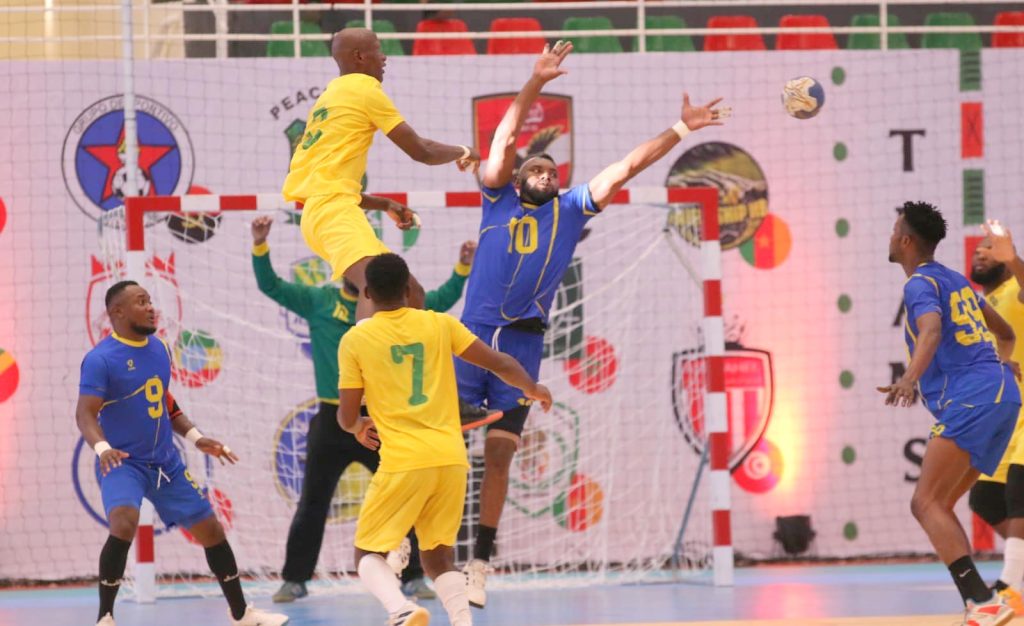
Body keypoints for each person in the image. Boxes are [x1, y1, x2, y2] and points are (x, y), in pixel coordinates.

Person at [454, 40, 728, 607]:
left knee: (499, 456)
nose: (544, 171)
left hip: (522, 346)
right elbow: (504, 141)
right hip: (470, 338)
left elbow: (628, 165)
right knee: (440, 450)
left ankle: (480, 562)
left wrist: (681, 127)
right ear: (517, 178)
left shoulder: (573, 207)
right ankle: (408, 539)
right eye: (535, 167)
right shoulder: (496, 198)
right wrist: (535, 81)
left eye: (551, 169)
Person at [247, 215, 476, 602]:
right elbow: (271, 286)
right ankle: (295, 578)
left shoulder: (398, 309)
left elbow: (436, 302)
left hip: (384, 421)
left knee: (409, 497)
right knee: (313, 501)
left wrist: (461, 269)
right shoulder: (318, 301)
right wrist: (260, 244)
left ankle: (413, 577)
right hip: (336, 418)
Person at [337, 253, 551, 626]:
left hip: (404, 460)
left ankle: (401, 610)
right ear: (408, 290)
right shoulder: (439, 324)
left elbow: (346, 415)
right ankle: (462, 621)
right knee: (438, 556)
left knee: (366, 553)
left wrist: (357, 426)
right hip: (451, 459)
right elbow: (500, 363)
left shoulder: (356, 338)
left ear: (366, 293)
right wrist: (533, 388)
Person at [76, 281, 289, 626]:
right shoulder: (100, 359)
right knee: (124, 522)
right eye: (141, 302)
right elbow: (84, 414)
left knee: (212, 531)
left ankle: (242, 615)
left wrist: (195, 436)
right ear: (118, 312)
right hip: (123, 462)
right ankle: (105, 618)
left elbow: (163, 399)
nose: (151, 307)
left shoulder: (160, 348)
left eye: (149, 300)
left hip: (165, 464)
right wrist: (103, 448)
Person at [880, 202, 1021, 626]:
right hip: (1003, 395)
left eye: (894, 230)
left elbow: (932, 330)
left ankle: (984, 601)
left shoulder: (919, 284)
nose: (891, 236)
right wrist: (1002, 365)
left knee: (924, 502)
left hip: (974, 399)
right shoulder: (956, 280)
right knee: (940, 503)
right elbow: (1006, 333)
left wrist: (908, 379)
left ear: (906, 240)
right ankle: (982, 601)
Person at [282, 27, 480, 322]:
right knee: (373, 287)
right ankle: (365, 353)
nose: (384, 57)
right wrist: (465, 151)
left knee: (412, 293)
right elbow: (422, 151)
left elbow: (328, 183)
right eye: (378, 49)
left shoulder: (329, 97)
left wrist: (384, 204)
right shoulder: (365, 89)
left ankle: (407, 350)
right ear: (360, 56)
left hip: (326, 210)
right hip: (332, 212)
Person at [967, 220, 1024, 614]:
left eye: (990, 249)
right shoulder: (980, 306)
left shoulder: (1014, 290)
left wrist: (1014, 259)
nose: (981, 254)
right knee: (984, 498)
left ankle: (1010, 587)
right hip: (1005, 415)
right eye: (977, 250)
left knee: (1019, 493)